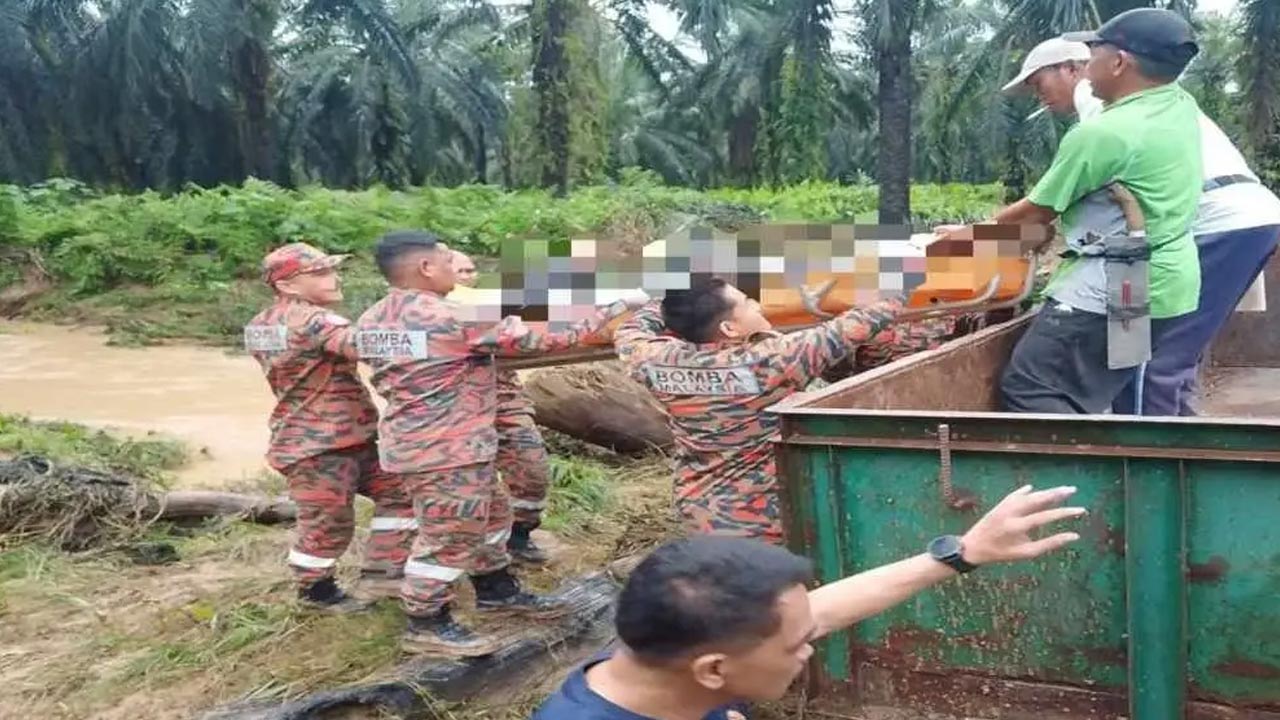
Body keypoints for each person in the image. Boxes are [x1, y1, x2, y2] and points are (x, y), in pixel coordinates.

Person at [531, 483, 1086, 719]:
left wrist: (963, 553)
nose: (810, 649)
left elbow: (823, 610)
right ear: (714, 670)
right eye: (797, 645)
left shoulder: (658, 663)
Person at [355, 229, 647, 656]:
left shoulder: (372, 319)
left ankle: (497, 591)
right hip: (447, 449)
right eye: (447, 261)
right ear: (425, 267)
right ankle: (426, 622)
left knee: (491, 516)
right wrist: (616, 304)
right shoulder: (448, 316)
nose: (454, 269)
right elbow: (549, 337)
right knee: (448, 537)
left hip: (425, 441)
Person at [939, 8, 1205, 415]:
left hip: (1115, 286)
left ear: (1119, 63)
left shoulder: (1104, 134)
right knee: (1095, 390)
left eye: (1093, 53)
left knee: (1032, 389)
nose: (1085, 64)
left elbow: (1035, 215)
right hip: (1156, 283)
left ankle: (1075, 460)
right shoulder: (1177, 105)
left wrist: (960, 241)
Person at [1003, 34, 1280, 416]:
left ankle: (1146, 448)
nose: (1040, 97)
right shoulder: (1168, 101)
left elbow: (1042, 210)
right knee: (1165, 359)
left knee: (1149, 364)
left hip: (1204, 227)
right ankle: (1174, 442)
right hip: (1238, 218)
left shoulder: (1102, 104)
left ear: (1073, 68)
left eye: (1039, 83)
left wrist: (966, 243)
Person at [613, 277, 969, 545]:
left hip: (700, 511)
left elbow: (630, 330)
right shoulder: (769, 362)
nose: (756, 304)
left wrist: (660, 303)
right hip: (763, 519)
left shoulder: (655, 359)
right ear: (729, 328)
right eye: (747, 303)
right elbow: (854, 326)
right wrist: (905, 278)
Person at [244, 242, 415, 613]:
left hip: (335, 437)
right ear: (286, 285)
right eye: (320, 273)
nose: (334, 279)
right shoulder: (314, 321)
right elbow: (368, 347)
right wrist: (428, 326)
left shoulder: (260, 324)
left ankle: (384, 574)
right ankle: (316, 594)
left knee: (400, 492)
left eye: (333, 270)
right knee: (327, 522)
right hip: (323, 444)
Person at [450, 249, 553, 563]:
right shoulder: (429, 313)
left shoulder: (491, 307)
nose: (467, 277)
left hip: (504, 403)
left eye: (470, 270)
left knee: (533, 470)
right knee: (469, 488)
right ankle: (474, 553)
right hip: (455, 412)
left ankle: (519, 535)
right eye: (459, 271)